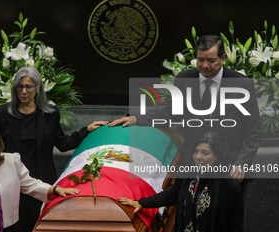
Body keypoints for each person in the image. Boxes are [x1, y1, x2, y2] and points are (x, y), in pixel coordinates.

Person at [109, 35, 262, 189]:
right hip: (194, 166)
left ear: (223, 58)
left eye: (211, 61)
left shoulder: (242, 84)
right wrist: (136, 119)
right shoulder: (184, 80)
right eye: (200, 60)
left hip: (230, 168)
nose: (205, 66)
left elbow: (253, 131)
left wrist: (242, 163)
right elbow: (169, 112)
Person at [0, 66, 108, 232]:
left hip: (43, 181)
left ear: (38, 88)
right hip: (11, 183)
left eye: (29, 87)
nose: (23, 91)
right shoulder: (3, 114)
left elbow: (62, 143)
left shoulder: (50, 113)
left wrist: (85, 130)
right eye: (19, 87)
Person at [118, 132, 244, 232]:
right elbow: (169, 195)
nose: (198, 156)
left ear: (217, 156)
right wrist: (141, 203)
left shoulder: (230, 188)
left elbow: (235, 231)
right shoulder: (187, 176)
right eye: (196, 151)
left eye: (205, 153)